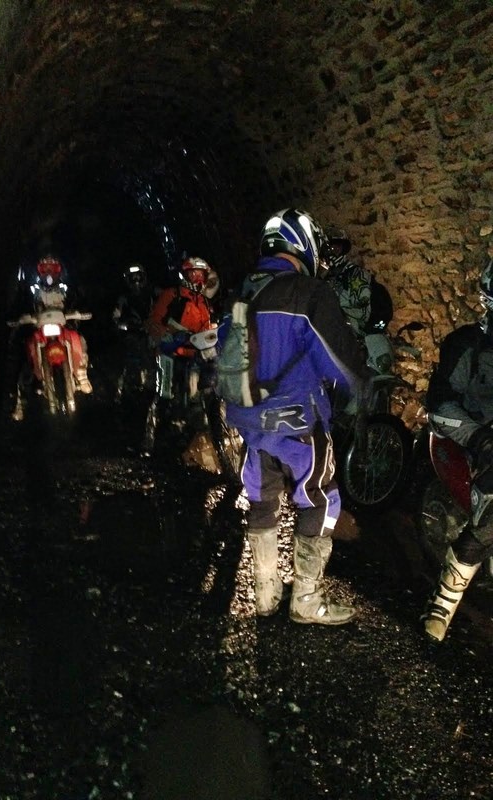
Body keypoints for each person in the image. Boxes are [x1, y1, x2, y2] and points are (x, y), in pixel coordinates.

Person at [223, 208, 370, 624]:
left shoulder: (241, 295)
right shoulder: (309, 293)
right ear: (304, 245)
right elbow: (341, 364)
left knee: (262, 500)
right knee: (320, 499)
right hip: (300, 425)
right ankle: (306, 600)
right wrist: (358, 391)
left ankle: (265, 595)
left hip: (252, 428)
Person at [422, 258, 493, 642]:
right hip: (470, 440)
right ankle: (443, 604)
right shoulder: (467, 344)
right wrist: (480, 438)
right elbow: (440, 404)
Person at [7, 251, 92, 420]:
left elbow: (78, 300)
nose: (49, 273)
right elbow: (21, 303)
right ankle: (20, 402)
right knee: (24, 355)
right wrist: (19, 318)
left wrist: (78, 312)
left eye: (52, 268)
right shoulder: (32, 290)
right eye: (45, 269)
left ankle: (81, 372)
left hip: (63, 326)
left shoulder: (66, 289)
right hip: (39, 329)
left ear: (59, 270)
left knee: (78, 339)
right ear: (39, 271)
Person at [143, 256, 214, 449]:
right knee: (164, 393)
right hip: (169, 352)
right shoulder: (172, 294)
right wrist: (167, 335)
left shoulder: (204, 302)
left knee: (196, 395)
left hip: (193, 354)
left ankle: (195, 435)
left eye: (201, 275)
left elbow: (206, 329)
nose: (197, 278)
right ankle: (150, 438)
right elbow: (154, 321)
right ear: (185, 275)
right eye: (194, 274)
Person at [111, 263, 156, 402]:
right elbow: (116, 315)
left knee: (156, 358)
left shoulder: (151, 293)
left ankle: (157, 387)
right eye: (133, 278)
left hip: (150, 332)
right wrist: (119, 323)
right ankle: (119, 389)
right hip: (132, 332)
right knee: (126, 361)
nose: (136, 281)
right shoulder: (124, 298)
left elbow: (163, 306)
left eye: (139, 277)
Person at [324, 226, 373, 336]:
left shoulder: (354, 274)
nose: (333, 251)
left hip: (348, 333)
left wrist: (338, 310)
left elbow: (363, 311)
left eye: (338, 247)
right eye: (330, 248)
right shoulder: (320, 275)